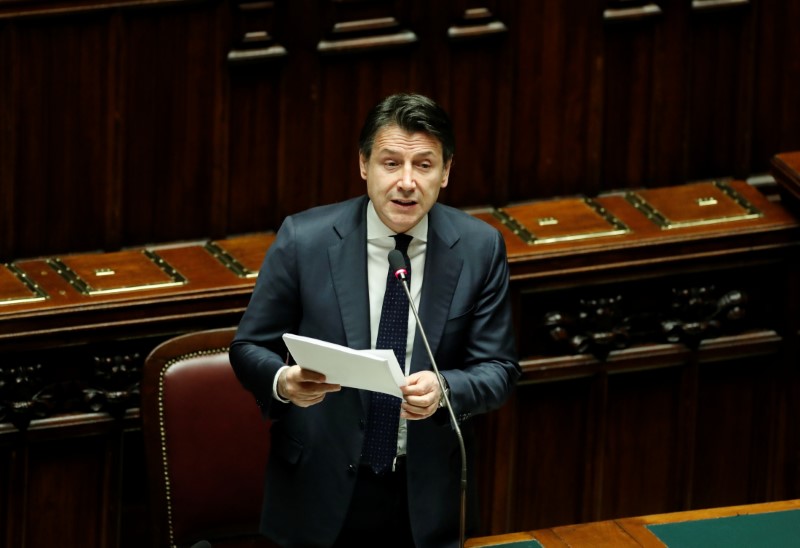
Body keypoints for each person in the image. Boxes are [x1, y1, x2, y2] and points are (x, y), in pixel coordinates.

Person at [229, 92, 520, 548]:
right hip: (318, 488)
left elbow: (499, 370)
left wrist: (445, 389)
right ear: (364, 165)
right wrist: (284, 381)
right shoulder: (304, 240)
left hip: (425, 494)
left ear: (446, 173)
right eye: (391, 163)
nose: (406, 182)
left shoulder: (479, 249)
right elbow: (247, 348)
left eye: (424, 165)